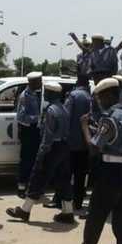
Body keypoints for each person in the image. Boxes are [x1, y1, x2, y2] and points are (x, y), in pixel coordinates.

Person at [79, 78, 122, 244]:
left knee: (95, 218)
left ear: (110, 95)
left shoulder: (110, 118)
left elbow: (93, 148)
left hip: (109, 173)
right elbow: (117, 139)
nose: (99, 101)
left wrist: (84, 127)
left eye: (100, 97)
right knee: (121, 219)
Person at [6, 82, 75, 224]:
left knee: (37, 177)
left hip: (51, 148)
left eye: (47, 92)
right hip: (63, 146)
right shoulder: (63, 109)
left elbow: (47, 134)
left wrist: (42, 152)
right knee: (63, 179)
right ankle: (68, 212)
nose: (45, 94)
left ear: (52, 94)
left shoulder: (50, 111)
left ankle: (25, 210)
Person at [44, 75, 93, 213]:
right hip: (85, 142)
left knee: (64, 173)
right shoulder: (90, 97)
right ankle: (77, 202)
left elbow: (66, 116)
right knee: (80, 175)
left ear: (77, 83)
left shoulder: (73, 96)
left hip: (71, 142)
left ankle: (59, 201)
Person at [16, 72, 43, 198]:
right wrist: (38, 118)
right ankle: (22, 187)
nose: (41, 83)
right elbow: (21, 117)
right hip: (28, 132)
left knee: (34, 161)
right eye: (39, 81)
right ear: (32, 82)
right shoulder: (25, 96)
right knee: (26, 160)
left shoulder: (37, 93)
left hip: (35, 131)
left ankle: (32, 187)